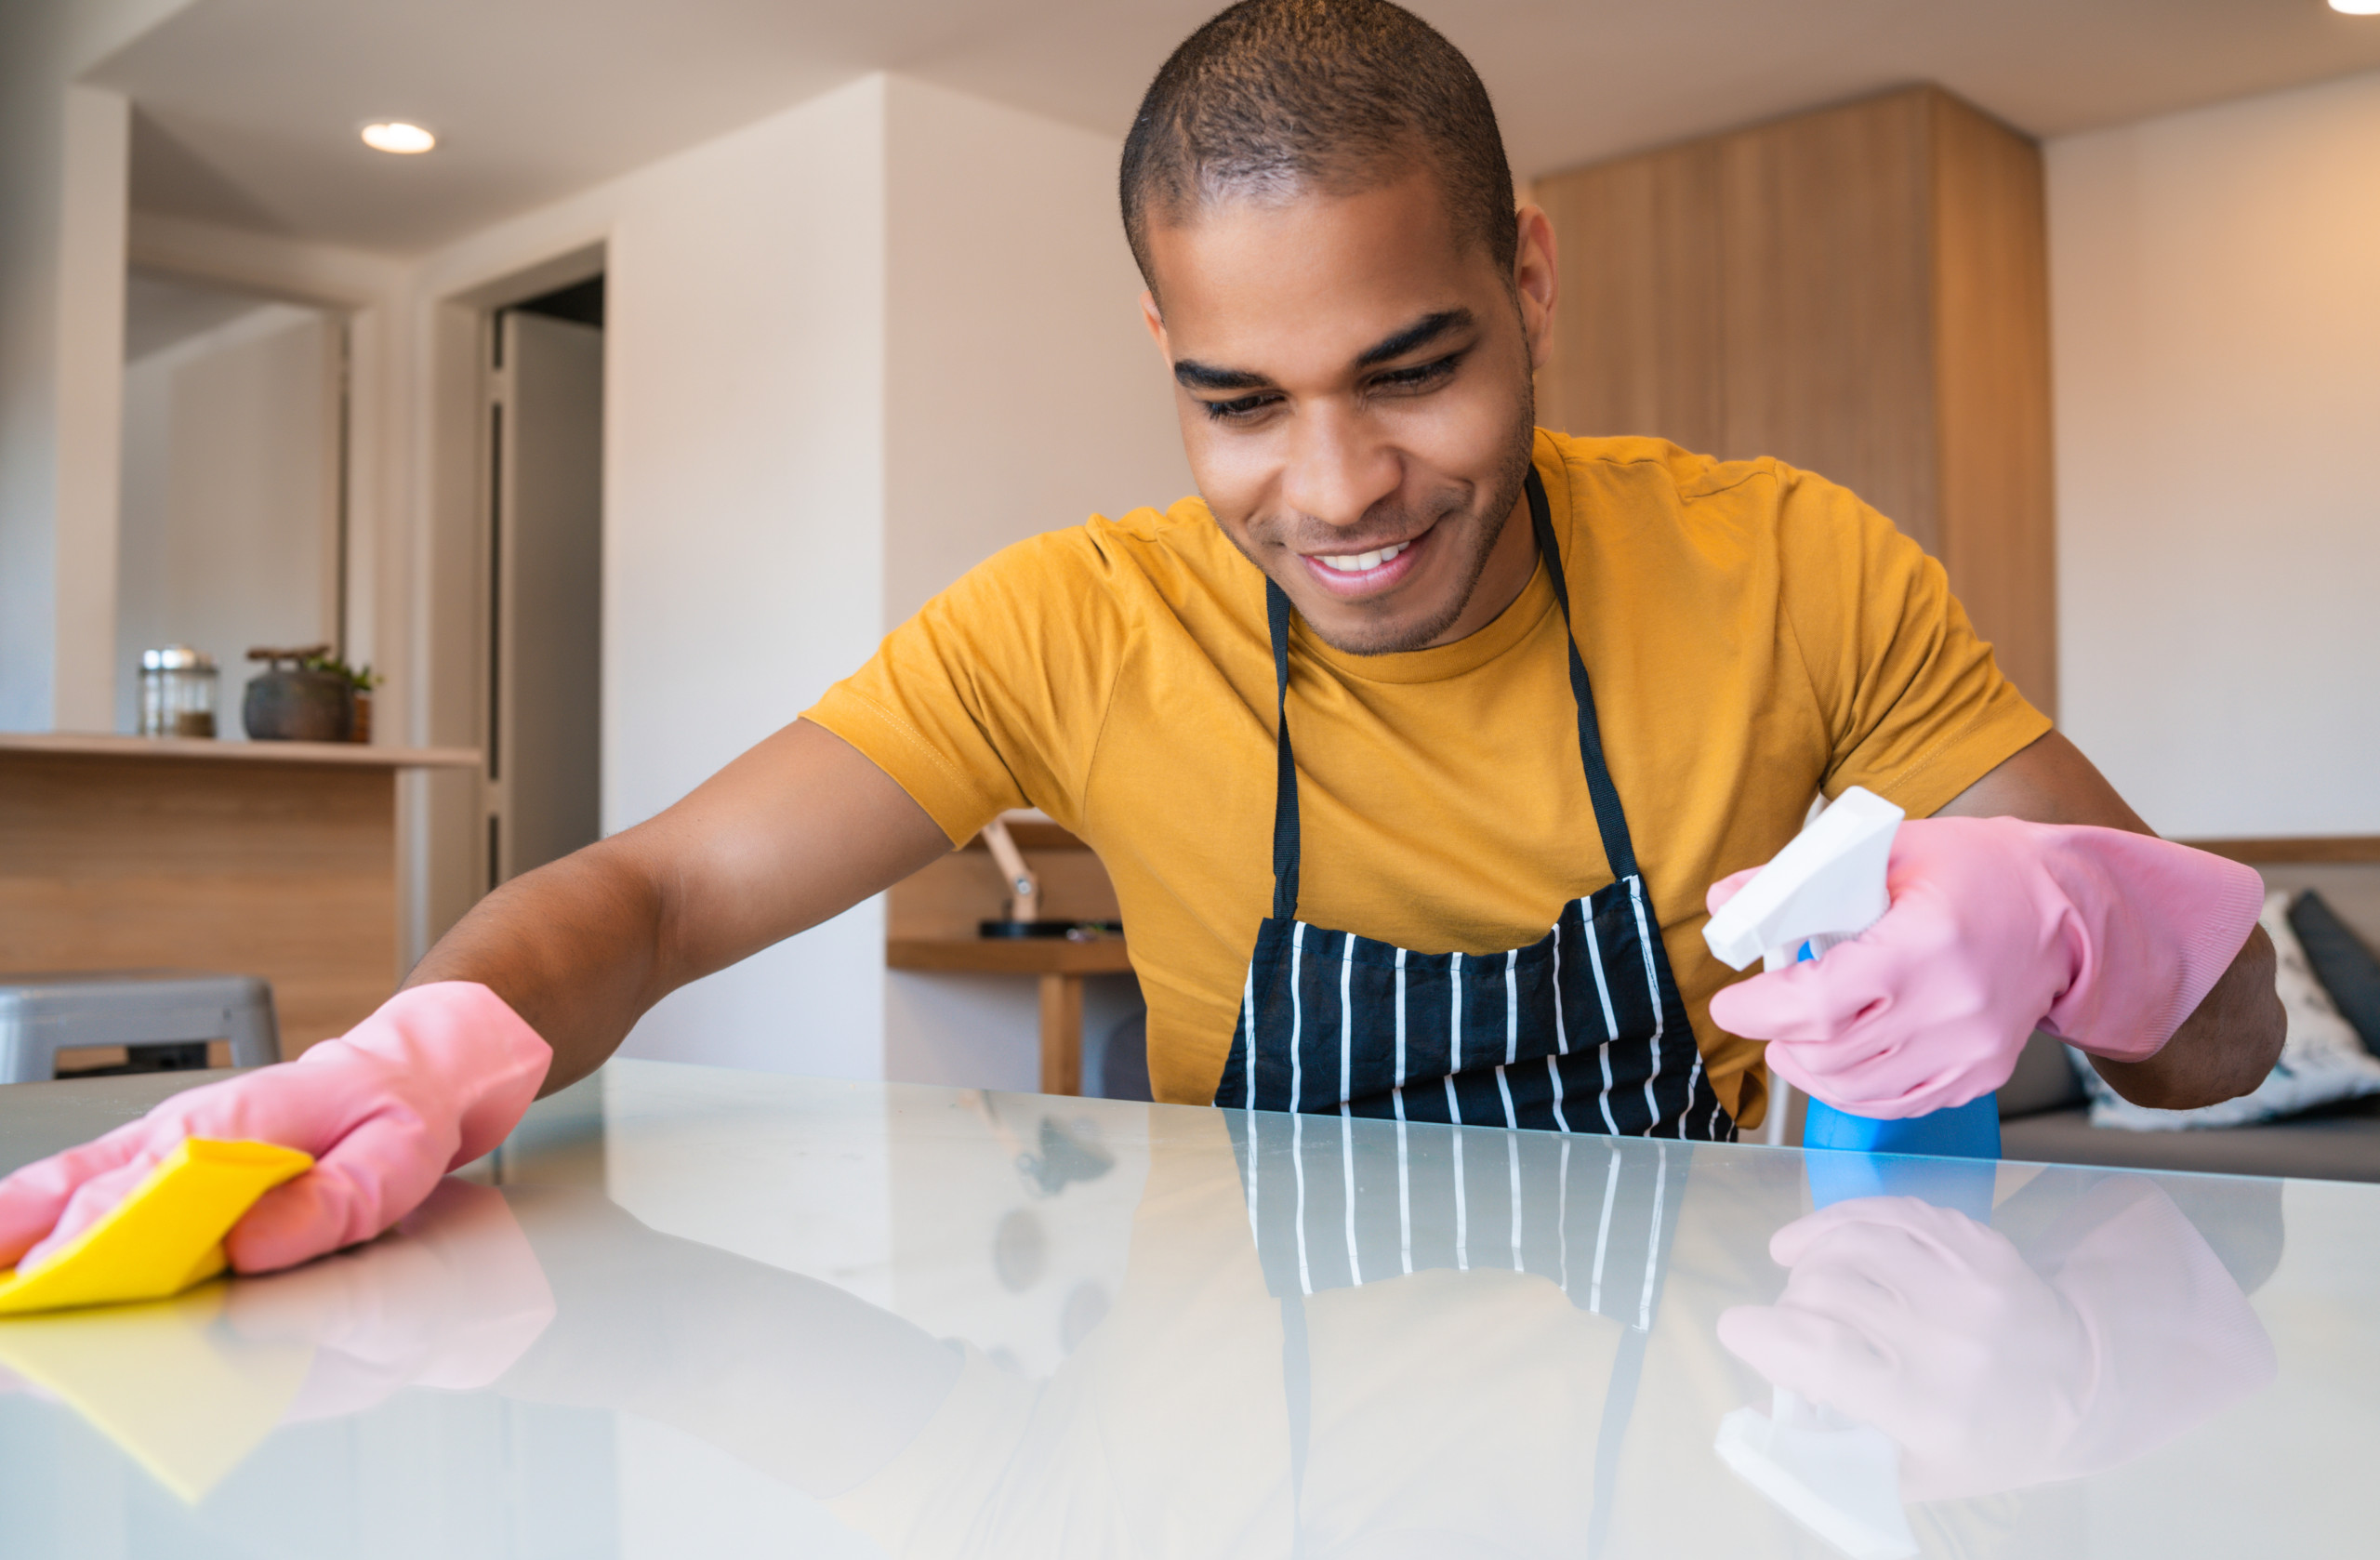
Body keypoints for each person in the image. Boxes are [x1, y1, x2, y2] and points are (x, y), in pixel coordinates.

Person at [0, 0, 2281, 1280]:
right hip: (1226, 1460)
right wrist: (418, 1051)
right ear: (1164, 354)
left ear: (1531, 283)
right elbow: (664, 890)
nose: (1338, 489)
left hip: (1705, 1417)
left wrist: (2083, 924)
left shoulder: (1793, 570)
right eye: (1235, 400)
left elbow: (2225, 1044)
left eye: (1412, 367)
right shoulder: (1073, 622)